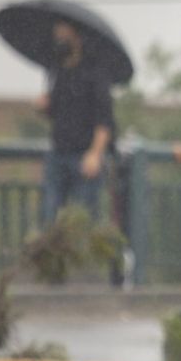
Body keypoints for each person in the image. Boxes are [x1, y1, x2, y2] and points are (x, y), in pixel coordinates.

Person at [39, 20, 115, 225]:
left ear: (77, 37)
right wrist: (44, 106)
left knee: (83, 219)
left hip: (84, 157)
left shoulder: (95, 73)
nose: (60, 40)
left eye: (64, 35)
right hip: (58, 153)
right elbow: (56, 113)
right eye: (58, 35)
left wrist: (95, 154)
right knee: (50, 216)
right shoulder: (57, 72)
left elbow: (105, 120)